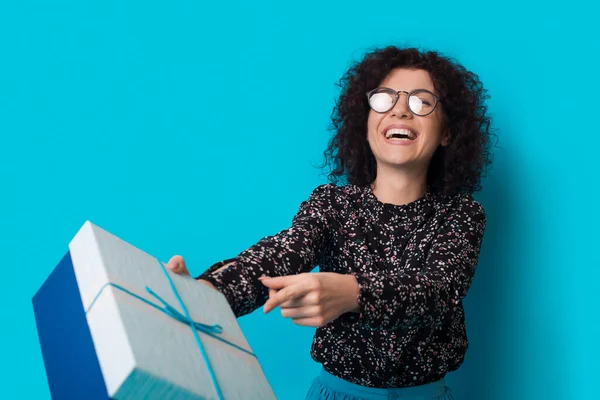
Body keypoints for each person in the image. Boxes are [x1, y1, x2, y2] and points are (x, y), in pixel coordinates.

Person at [167, 45, 493, 400]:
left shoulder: (460, 214)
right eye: (384, 99)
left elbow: (438, 290)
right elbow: (280, 254)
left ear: (447, 131)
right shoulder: (332, 205)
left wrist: (353, 293)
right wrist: (206, 294)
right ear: (365, 125)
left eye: (421, 101)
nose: (400, 108)